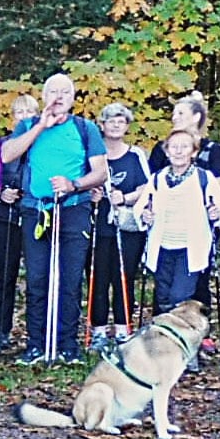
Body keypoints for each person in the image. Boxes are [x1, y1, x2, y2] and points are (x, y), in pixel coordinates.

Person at [0, 73, 109, 365]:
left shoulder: (85, 129)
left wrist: (74, 184)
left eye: (64, 92)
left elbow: (101, 172)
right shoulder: (27, 126)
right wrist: (39, 127)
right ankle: (36, 344)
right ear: (44, 96)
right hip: (36, 211)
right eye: (53, 92)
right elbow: (7, 155)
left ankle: (67, 345)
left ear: (73, 98)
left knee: (70, 280)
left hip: (73, 209)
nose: (58, 97)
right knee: (37, 279)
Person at [137, 129, 220, 312]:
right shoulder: (157, 179)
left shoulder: (204, 178)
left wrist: (216, 214)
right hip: (162, 248)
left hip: (190, 249)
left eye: (184, 147)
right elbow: (142, 207)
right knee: (162, 296)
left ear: (194, 152)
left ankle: (181, 334)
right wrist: (144, 214)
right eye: (174, 147)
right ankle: (163, 337)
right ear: (167, 151)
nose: (179, 151)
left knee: (179, 296)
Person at [87, 102, 149, 351]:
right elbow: (84, 180)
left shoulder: (135, 154)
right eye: (111, 119)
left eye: (121, 120)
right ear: (102, 124)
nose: (115, 124)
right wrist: (91, 193)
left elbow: (147, 187)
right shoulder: (93, 154)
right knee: (98, 277)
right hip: (99, 225)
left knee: (124, 277)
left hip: (127, 227)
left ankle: (124, 329)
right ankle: (99, 330)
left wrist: (125, 198)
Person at [0, 94, 39, 352]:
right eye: (19, 112)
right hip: (7, 216)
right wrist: (0, 194)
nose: (24, 117)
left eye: (29, 112)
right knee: (6, 275)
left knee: (37, 276)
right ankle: (1, 331)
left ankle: (35, 331)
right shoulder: (3, 144)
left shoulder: (44, 143)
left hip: (37, 215)